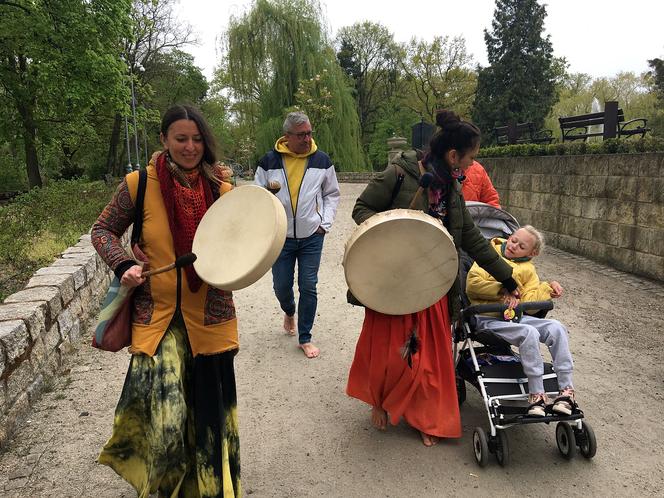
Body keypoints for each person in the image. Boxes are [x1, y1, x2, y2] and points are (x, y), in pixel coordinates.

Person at [91, 104, 241, 497]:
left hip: (210, 316)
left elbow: (243, 245)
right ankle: (167, 487)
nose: (190, 147)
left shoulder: (223, 190)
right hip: (156, 316)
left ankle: (208, 486)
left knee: (208, 413)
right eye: (181, 139)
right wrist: (123, 262)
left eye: (197, 139)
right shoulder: (139, 184)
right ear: (164, 140)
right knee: (168, 417)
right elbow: (103, 230)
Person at [346, 110, 519, 446]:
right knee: (387, 351)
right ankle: (380, 402)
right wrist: (399, 227)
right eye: (469, 159)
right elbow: (361, 210)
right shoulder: (399, 172)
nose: (470, 167)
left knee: (430, 355)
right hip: (395, 280)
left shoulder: (451, 186)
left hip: (434, 281)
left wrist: (507, 276)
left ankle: (426, 417)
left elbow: (470, 235)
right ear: (453, 155)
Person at [465, 225, 578, 417]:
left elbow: (530, 304)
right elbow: (472, 286)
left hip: (515, 317)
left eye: (521, 246)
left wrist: (547, 289)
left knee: (557, 327)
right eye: (513, 240)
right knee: (529, 333)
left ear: (532, 253)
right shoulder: (489, 256)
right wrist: (502, 289)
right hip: (488, 317)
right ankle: (536, 394)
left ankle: (566, 391)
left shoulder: (528, 269)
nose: (514, 246)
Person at [254, 111, 340, 358]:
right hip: (279, 237)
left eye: (309, 133)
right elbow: (258, 198)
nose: (307, 138)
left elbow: (331, 194)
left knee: (309, 285)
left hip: (312, 235)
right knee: (281, 286)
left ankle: (305, 337)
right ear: (287, 136)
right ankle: (289, 311)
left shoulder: (321, 160)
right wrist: (266, 228)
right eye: (302, 134)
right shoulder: (268, 162)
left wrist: (325, 223)